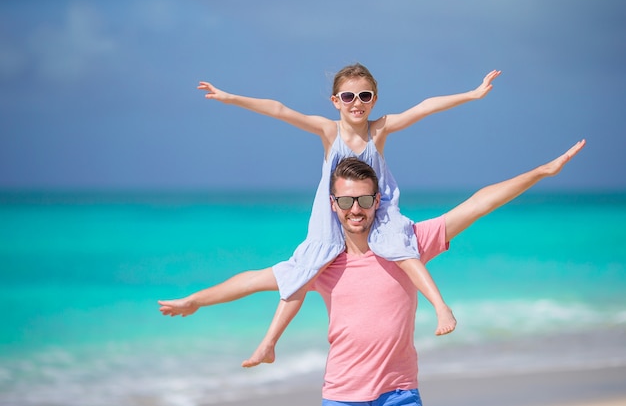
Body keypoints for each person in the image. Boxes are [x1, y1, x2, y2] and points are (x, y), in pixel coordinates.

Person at [159, 139, 586, 386]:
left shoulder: (409, 244)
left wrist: (541, 173)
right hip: (342, 393)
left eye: (364, 198)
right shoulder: (323, 263)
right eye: (346, 200)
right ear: (334, 204)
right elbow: (253, 280)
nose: (355, 208)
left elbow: (476, 204)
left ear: (376, 199)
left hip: (400, 391)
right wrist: (196, 300)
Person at [165, 64, 501, 345]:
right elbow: (280, 109)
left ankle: (441, 307)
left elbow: (424, 107)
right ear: (335, 100)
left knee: (402, 246)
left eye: (365, 96)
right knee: (300, 271)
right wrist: (230, 97)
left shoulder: (379, 129)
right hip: (332, 213)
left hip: (377, 210)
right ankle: (236, 324)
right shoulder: (329, 130)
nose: (357, 103)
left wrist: (471, 94)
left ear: (374, 100)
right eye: (349, 96)